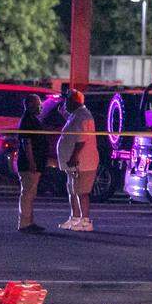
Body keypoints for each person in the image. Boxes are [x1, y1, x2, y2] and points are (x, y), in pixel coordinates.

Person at [55, 90, 100, 232]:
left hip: (83, 162)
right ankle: (75, 217)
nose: (65, 104)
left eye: (67, 101)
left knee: (82, 191)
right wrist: (63, 113)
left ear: (74, 102)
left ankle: (85, 220)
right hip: (73, 163)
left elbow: (81, 140)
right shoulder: (76, 115)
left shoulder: (83, 116)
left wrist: (74, 156)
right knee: (73, 191)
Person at [16, 93, 47, 234]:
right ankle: (24, 223)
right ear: (29, 105)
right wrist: (32, 162)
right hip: (28, 164)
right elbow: (26, 142)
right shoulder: (27, 121)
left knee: (30, 193)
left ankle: (29, 221)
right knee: (27, 194)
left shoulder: (32, 119)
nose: (40, 106)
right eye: (37, 104)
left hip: (34, 163)